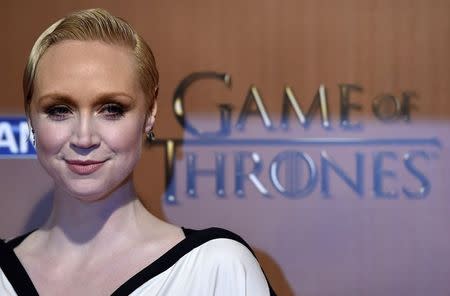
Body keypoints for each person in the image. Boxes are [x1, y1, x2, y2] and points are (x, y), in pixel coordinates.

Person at [0, 8, 275, 296]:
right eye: (59, 110)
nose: (84, 137)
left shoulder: (216, 270)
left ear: (150, 112)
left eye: (111, 109)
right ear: (30, 116)